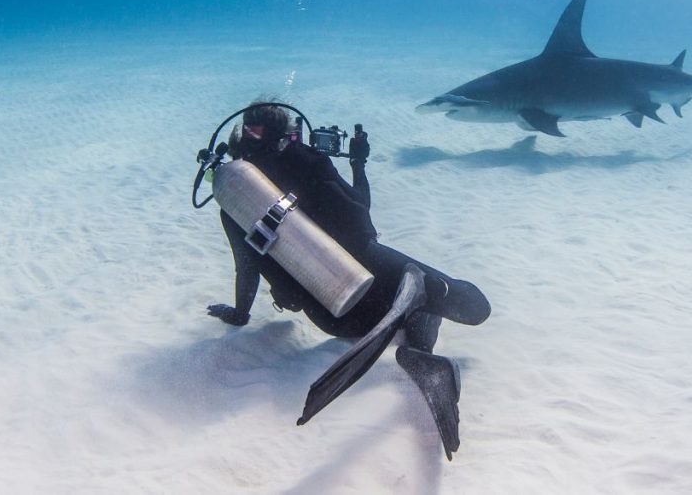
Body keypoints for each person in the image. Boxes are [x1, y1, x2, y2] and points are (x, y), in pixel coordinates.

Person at [206, 103, 490, 459]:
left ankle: (415, 333)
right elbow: (361, 214)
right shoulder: (308, 161)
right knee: (470, 304)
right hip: (375, 277)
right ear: (287, 135)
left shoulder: (236, 202)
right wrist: (358, 163)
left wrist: (238, 313)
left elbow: (246, 268)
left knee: (409, 300)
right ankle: (419, 337)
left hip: (334, 317)